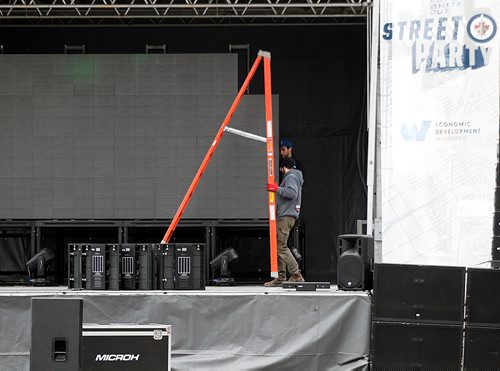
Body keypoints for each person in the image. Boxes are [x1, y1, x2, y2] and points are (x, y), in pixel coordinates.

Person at [264, 156, 305, 287]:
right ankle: (281, 277)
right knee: (278, 246)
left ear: (283, 167)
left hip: (286, 216)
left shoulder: (290, 176)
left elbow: (292, 193)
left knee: (281, 247)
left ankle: (296, 275)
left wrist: (277, 189)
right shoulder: (295, 176)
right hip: (286, 215)